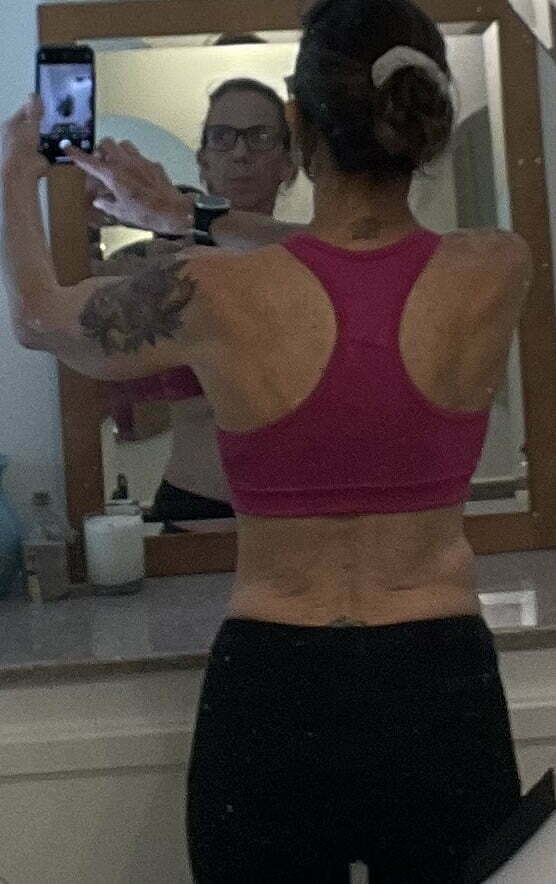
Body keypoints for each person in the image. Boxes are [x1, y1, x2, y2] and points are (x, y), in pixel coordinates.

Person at [1, 0, 533, 879]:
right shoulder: (494, 267)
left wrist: (18, 171)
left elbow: (37, 318)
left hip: (276, 683)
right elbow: (360, 258)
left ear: (298, 124)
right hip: (438, 684)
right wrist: (192, 212)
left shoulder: (214, 292)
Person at [94, 76, 299, 526]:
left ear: (288, 163)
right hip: (195, 503)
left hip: (299, 514)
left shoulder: (315, 260)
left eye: (260, 137)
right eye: (223, 137)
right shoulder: (164, 267)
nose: (241, 153)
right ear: (203, 160)